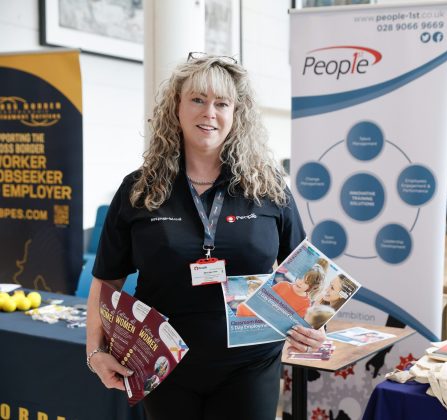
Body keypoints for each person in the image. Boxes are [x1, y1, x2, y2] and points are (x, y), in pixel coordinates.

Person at [85, 54, 325, 420]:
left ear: (235, 113)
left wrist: (315, 327)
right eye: (198, 99)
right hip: (164, 363)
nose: (209, 112)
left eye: (221, 103)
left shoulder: (269, 188)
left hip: (251, 364)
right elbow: (107, 279)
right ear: (176, 108)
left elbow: (308, 273)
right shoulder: (140, 189)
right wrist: (95, 350)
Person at [236, 258, 328, 317]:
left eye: (306, 282)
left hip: (276, 322)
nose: (300, 282)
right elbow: (265, 297)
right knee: (243, 307)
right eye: (300, 277)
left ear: (311, 287)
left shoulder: (306, 304)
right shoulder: (283, 284)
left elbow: (294, 322)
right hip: (265, 311)